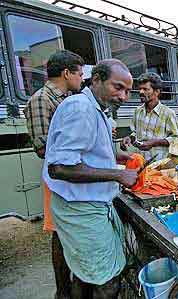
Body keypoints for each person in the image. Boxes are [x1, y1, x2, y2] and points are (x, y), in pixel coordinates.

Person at [43, 59, 138, 298]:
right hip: (81, 209)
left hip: (88, 206)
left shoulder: (95, 109)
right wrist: (118, 174)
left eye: (127, 91)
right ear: (96, 79)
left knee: (86, 274)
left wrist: (118, 156)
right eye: (118, 87)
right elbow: (59, 167)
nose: (124, 96)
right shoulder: (81, 108)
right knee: (107, 282)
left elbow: (86, 151)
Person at [23, 49, 84, 299]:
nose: (82, 79)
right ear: (66, 73)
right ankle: (63, 291)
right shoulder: (41, 99)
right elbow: (42, 148)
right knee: (59, 233)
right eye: (79, 74)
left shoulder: (66, 98)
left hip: (71, 176)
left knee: (72, 230)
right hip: (57, 178)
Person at [121, 72, 178, 160]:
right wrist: (129, 139)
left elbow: (177, 139)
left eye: (145, 89)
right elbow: (134, 132)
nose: (141, 92)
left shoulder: (168, 113)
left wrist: (154, 142)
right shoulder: (137, 111)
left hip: (159, 163)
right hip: (139, 161)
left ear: (157, 92)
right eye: (140, 89)